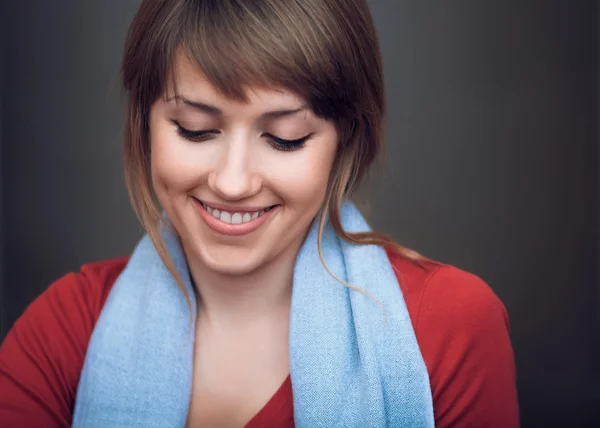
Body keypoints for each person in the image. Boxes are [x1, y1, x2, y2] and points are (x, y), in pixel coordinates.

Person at [0, 0, 519, 427]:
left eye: (285, 138)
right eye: (195, 129)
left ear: (345, 143)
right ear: (145, 126)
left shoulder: (448, 329)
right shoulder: (64, 332)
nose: (232, 181)